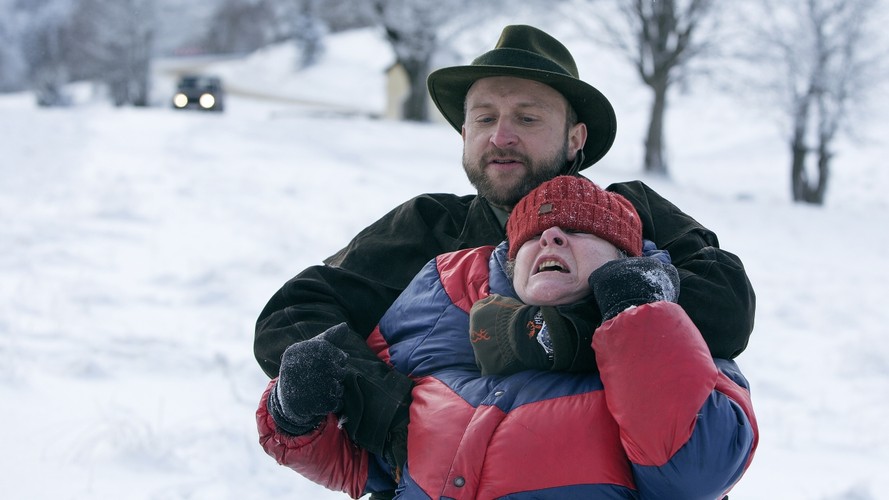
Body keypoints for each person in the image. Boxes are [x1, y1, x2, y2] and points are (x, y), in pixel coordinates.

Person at [253, 23, 756, 490]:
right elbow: (293, 315)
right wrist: (389, 412)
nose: (501, 136)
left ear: (575, 138)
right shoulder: (429, 227)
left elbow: (726, 303)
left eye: (527, 117)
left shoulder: (631, 213)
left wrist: (558, 334)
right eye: (484, 118)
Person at [257, 175, 758, 498]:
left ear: (627, 262)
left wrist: (637, 313)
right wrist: (294, 415)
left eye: (581, 231)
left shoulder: (679, 343)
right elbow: (365, 467)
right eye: (535, 237)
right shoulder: (439, 341)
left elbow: (697, 472)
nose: (553, 237)